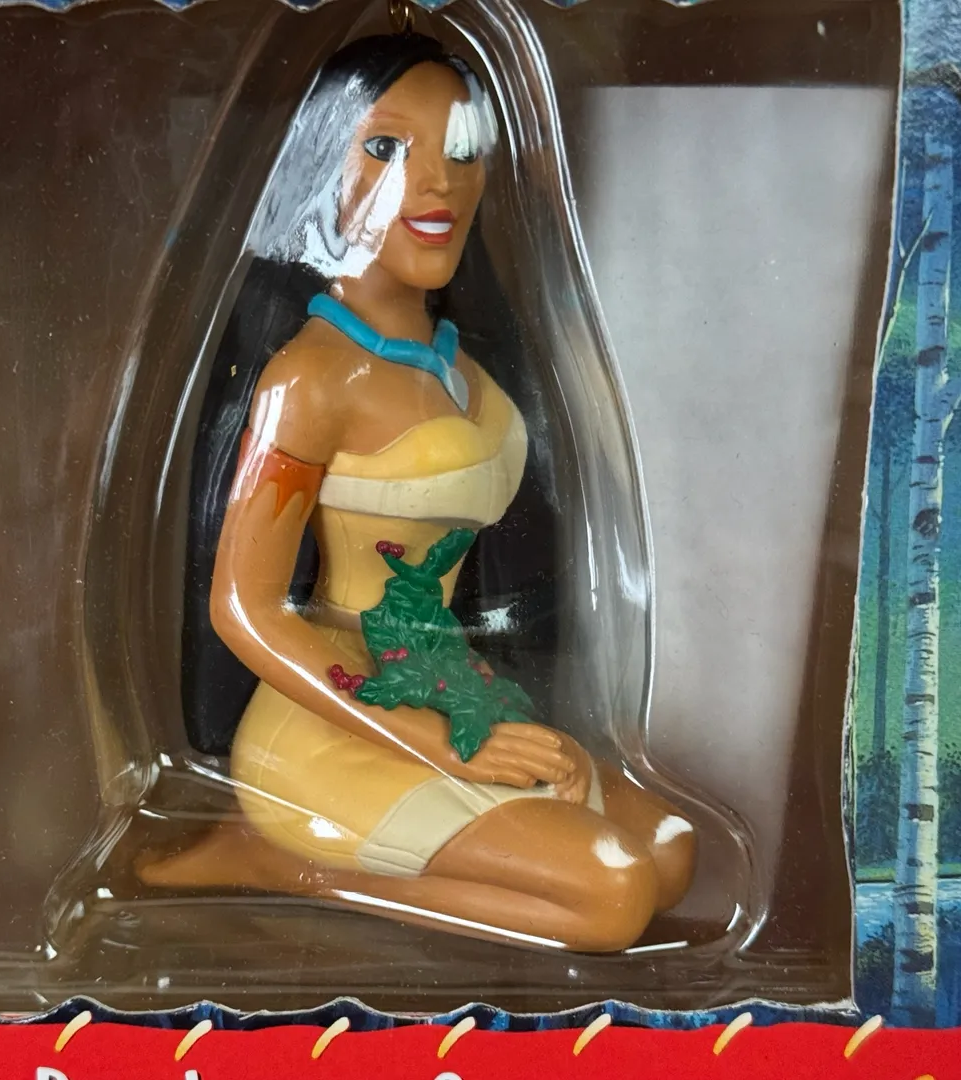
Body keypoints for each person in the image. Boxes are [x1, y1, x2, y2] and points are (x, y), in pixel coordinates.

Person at [144, 33, 695, 952]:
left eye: (463, 148)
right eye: (387, 147)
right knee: (613, 894)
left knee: (669, 854)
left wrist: (480, 718)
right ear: (323, 166)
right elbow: (245, 605)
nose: (437, 182)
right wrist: (437, 743)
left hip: (445, 686)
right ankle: (284, 861)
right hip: (333, 721)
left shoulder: (466, 367)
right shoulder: (309, 380)